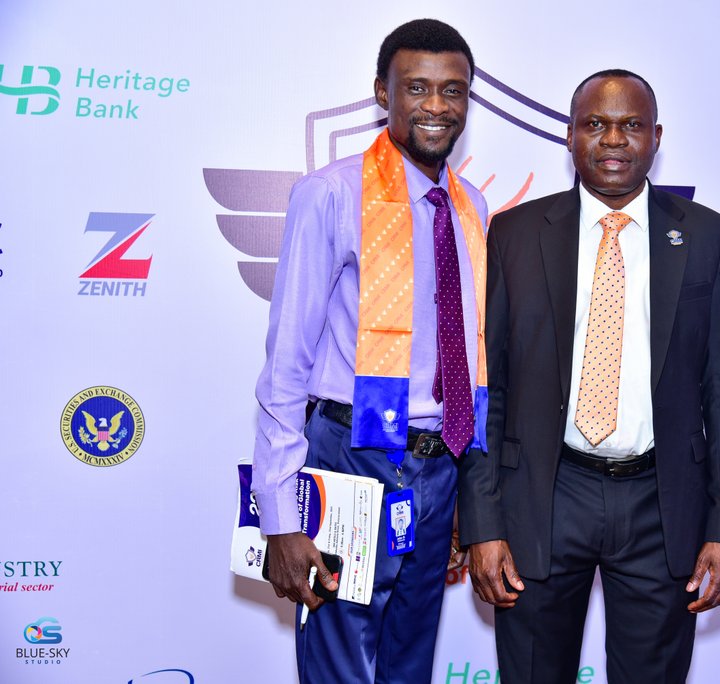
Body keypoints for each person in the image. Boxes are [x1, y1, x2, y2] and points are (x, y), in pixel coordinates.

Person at [458, 69, 720, 682]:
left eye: (630, 125)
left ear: (656, 138)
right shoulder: (514, 233)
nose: (613, 139)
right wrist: (482, 523)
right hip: (543, 496)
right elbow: (489, 387)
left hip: (662, 505)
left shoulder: (705, 235)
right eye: (595, 124)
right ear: (570, 136)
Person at [251, 19, 488, 684]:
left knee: (409, 668)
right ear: (383, 94)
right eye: (416, 87)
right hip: (351, 458)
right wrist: (281, 517)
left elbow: (469, 358)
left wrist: (466, 495)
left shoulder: (470, 207)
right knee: (340, 668)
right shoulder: (331, 193)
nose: (436, 105)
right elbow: (286, 364)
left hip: (440, 467)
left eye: (452, 90)